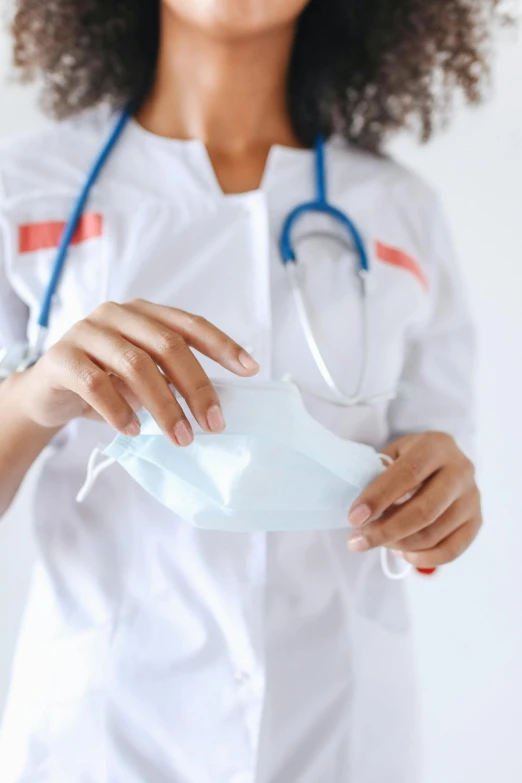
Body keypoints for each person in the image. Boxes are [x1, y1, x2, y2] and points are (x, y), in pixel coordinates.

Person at [0, 0, 494, 780]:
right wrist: (33, 398)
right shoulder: (24, 192)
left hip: (336, 732)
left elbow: (439, 475)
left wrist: (441, 502)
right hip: (103, 738)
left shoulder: (402, 213)